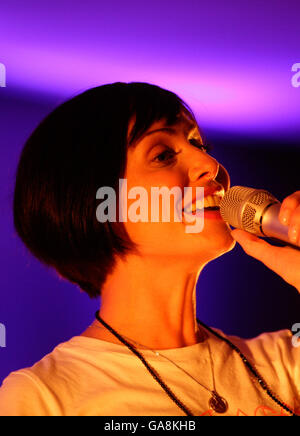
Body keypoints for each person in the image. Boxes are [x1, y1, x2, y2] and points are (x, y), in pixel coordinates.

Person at [0, 82, 299, 416]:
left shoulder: (286, 362)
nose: (210, 165)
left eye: (198, 143)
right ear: (97, 202)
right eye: (163, 155)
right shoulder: (45, 396)